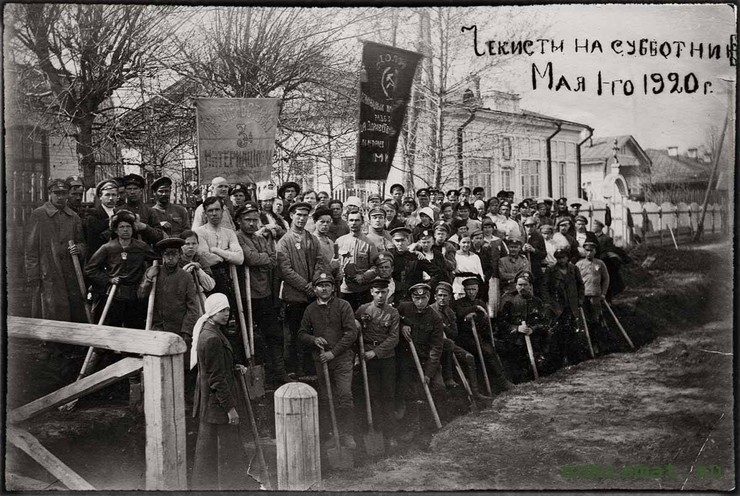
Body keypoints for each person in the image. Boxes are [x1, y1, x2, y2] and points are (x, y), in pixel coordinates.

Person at [191, 293, 252, 490]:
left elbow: (216, 366)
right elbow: (216, 378)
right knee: (227, 452)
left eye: (227, 310)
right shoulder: (211, 338)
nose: (227, 314)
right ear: (212, 312)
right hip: (217, 403)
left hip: (210, 402)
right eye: (222, 310)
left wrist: (233, 367)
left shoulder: (211, 331)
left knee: (207, 451)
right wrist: (230, 409)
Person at [298, 272, 359, 449]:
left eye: (327, 285)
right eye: (320, 285)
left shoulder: (343, 306)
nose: (324, 288)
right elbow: (301, 333)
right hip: (322, 361)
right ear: (314, 289)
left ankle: (347, 434)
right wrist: (313, 339)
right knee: (327, 398)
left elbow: (351, 333)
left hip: (342, 359)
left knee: (345, 395)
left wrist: (334, 352)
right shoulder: (310, 310)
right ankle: (334, 434)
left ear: (333, 288)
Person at [235, 203, 290, 387]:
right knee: (246, 337)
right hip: (246, 296)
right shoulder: (237, 237)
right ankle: (247, 378)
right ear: (239, 221)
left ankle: (278, 373)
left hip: (264, 293)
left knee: (273, 334)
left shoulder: (259, 238)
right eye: (247, 220)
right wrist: (261, 258)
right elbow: (249, 258)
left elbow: (273, 259)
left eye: (254, 220)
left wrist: (260, 258)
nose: (252, 224)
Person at [25, 179, 87, 322]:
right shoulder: (39, 215)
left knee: (71, 312)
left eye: (63, 193)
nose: (60, 197)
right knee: (48, 311)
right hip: (47, 273)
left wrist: (78, 248)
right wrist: (33, 275)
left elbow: (82, 243)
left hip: (69, 274)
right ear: (50, 193)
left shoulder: (74, 217)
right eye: (56, 193)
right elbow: (31, 249)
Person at [276, 201, 325, 378]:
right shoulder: (284, 241)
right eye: (298, 215)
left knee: (311, 331)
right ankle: (294, 369)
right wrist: (306, 286)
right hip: (294, 296)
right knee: (294, 333)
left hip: (312, 295)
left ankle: (310, 368)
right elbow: (285, 270)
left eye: (305, 215)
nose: (302, 218)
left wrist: (315, 282)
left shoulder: (312, 239)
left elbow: (319, 261)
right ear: (291, 216)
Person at [85, 210, 155, 329]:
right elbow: (90, 269)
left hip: (136, 294)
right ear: (116, 230)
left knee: (134, 327)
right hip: (114, 294)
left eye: (128, 226)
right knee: (113, 326)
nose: (125, 230)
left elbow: (156, 260)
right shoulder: (108, 247)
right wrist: (108, 279)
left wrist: (149, 274)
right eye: (122, 227)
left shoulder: (141, 247)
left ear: (133, 229)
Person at [396, 283, 445, 447]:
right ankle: (413, 427)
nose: (420, 302)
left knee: (438, 387)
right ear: (412, 298)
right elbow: (394, 319)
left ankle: (432, 426)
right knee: (410, 391)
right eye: (416, 298)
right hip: (408, 360)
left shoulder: (435, 318)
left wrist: (428, 373)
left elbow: (436, 349)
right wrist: (402, 326)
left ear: (429, 297)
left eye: (423, 298)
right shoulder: (404, 308)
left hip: (427, 361)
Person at [355, 277, 401, 448]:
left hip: (386, 358)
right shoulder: (363, 310)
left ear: (388, 292)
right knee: (372, 395)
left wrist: (375, 352)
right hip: (366, 358)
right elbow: (353, 331)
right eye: (377, 292)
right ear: (371, 292)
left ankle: (390, 435)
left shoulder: (393, 313)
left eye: (383, 292)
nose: (380, 296)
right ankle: (375, 431)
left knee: (388, 395)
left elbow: (394, 338)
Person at [431, 282, 492, 403]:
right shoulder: (430, 311)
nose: (442, 298)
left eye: (445, 296)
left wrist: (445, 327)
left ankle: (475, 393)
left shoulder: (450, 313)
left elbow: (454, 334)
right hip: (435, 346)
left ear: (450, 297)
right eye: (440, 295)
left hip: (449, 345)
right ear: (435, 296)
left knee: (469, 357)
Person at [452, 277, 512, 394]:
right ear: (465, 290)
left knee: (497, 349)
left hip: (479, 335)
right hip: (465, 338)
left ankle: (502, 381)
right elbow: (460, 313)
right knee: (487, 352)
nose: (471, 292)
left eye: (473, 289)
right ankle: (501, 383)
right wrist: (474, 309)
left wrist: (477, 311)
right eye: (468, 289)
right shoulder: (458, 303)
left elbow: (485, 320)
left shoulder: (481, 303)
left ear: (478, 289)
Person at [497, 274, 551, 382]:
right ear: (516, 286)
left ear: (530, 286)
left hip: (535, 339)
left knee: (541, 366)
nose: (522, 287)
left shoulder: (537, 302)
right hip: (516, 341)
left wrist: (533, 329)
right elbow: (501, 323)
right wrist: (517, 328)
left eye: (525, 285)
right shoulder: (509, 303)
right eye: (519, 285)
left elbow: (545, 322)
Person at [543, 249, 586, 370]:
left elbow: (580, 285)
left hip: (571, 306)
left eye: (563, 257)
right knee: (558, 333)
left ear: (568, 258)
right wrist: (549, 303)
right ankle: (559, 362)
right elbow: (545, 287)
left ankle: (573, 360)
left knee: (572, 332)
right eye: (559, 258)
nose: (561, 260)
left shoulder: (573, 269)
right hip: (557, 307)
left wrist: (580, 300)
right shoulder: (551, 269)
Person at [576, 241, 616, 355]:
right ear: (584, 251)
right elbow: (575, 281)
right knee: (584, 321)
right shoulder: (579, 264)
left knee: (596, 320)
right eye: (587, 250)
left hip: (596, 296)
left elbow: (606, 279)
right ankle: (587, 348)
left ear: (595, 251)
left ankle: (598, 346)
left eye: (591, 250)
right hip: (583, 297)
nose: (589, 253)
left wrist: (603, 293)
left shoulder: (600, 263)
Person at [336, 210, 378, 310]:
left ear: (362, 222)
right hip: (344, 289)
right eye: (351, 220)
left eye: (357, 220)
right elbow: (335, 262)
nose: (354, 223)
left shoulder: (369, 243)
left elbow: (376, 266)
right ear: (347, 222)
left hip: (363, 290)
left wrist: (364, 276)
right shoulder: (340, 241)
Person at [85, 179, 120, 257]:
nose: (111, 198)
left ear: (118, 197)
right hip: (99, 257)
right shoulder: (92, 214)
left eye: (114, 195)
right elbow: (92, 241)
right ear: (100, 197)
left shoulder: (119, 213)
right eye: (107, 195)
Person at [522, 216, 547, 294]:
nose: (529, 228)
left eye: (532, 226)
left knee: (536, 289)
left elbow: (543, 254)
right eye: (527, 226)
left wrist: (534, 250)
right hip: (523, 267)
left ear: (535, 226)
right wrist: (522, 250)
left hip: (535, 267)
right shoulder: (521, 237)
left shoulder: (539, 237)